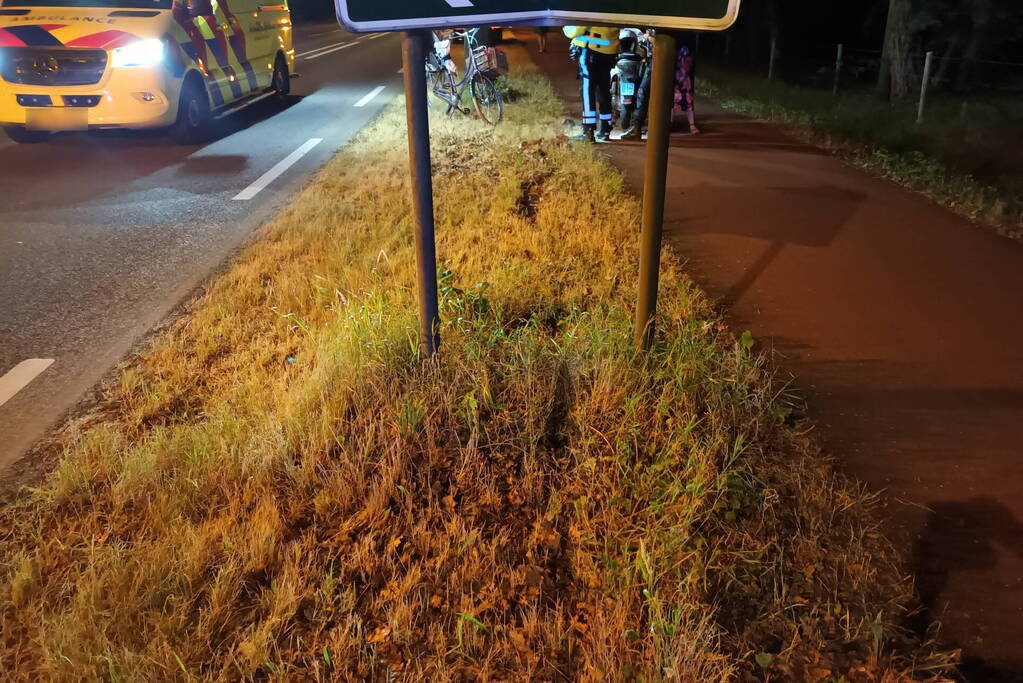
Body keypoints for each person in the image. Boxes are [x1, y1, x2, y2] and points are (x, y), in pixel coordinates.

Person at [621, 33, 700, 139]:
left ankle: (640, 129)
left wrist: (648, 37)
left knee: (644, 93)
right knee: (647, 94)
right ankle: (641, 128)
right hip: (656, 61)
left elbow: (661, 42)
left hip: (659, 61)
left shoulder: (663, 30)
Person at [563, 25, 619, 143]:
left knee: (587, 91)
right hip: (609, 52)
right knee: (604, 90)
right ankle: (605, 129)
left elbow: (576, 30)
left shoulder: (590, 6)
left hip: (590, 51)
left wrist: (566, 26)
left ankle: (588, 131)